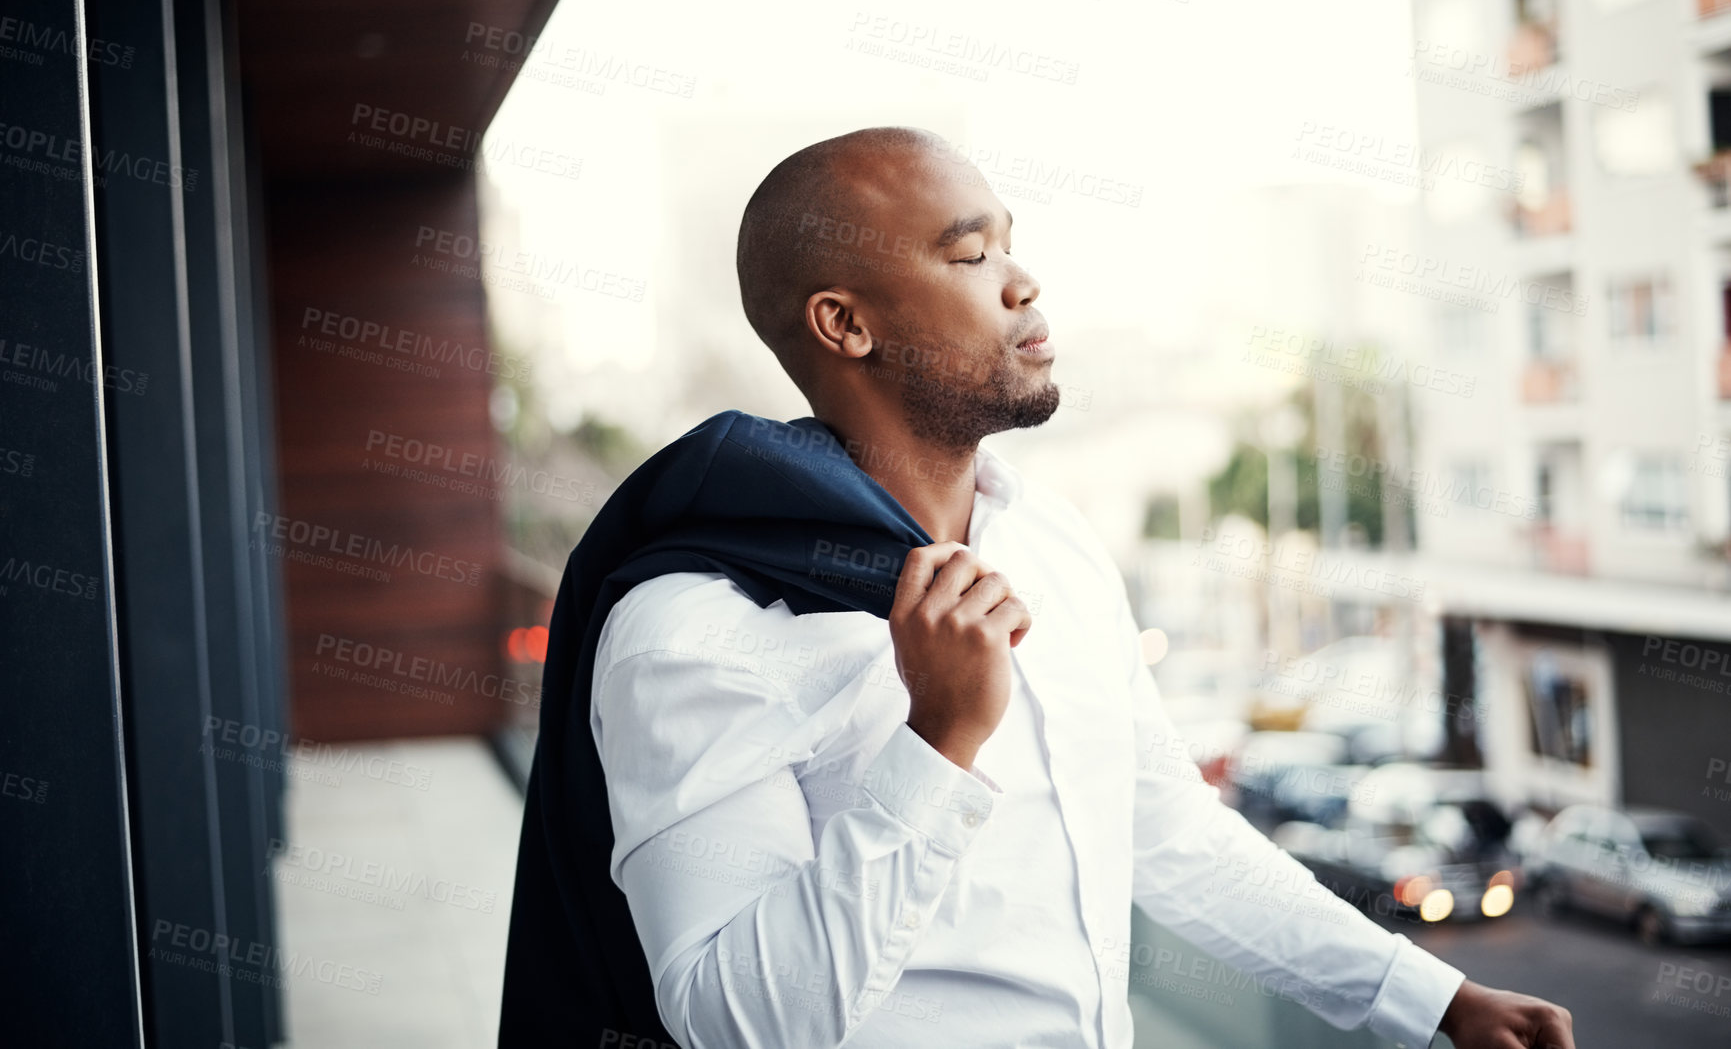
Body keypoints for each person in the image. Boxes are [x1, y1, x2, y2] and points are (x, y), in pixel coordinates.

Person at [512, 127, 1577, 1049]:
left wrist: (1434, 998)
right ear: (845, 325)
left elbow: (1171, 836)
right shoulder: (698, 623)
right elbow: (730, 1021)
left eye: (1011, 244)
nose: (1023, 281)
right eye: (972, 255)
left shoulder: (1053, 542)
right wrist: (935, 746)